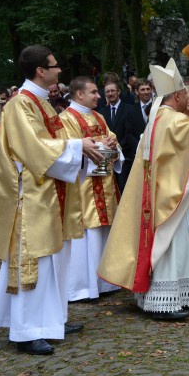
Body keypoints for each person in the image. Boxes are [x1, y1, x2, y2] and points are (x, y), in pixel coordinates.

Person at [97, 59, 189, 320]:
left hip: (161, 192)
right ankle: (161, 302)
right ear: (176, 95)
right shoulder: (172, 120)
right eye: (183, 95)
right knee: (171, 245)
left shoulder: (158, 116)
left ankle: (173, 296)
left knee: (172, 244)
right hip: (170, 197)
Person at [0, 45, 103, 355]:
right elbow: (35, 148)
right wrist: (79, 146)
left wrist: (82, 146)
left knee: (55, 260)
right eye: (54, 65)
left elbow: (57, 141)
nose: (59, 69)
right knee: (33, 261)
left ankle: (52, 320)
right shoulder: (20, 105)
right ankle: (25, 331)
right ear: (41, 70)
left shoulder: (44, 103)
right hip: (33, 194)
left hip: (51, 190)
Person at [59, 77, 124, 302]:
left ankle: (104, 282)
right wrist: (100, 146)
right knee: (86, 236)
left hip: (104, 184)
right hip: (82, 187)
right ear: (79, 94)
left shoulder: (98, 116)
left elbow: (112, 140)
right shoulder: (66, 119)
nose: (99, 96)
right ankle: (82, 287)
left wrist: (113, 147)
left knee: (104, 233)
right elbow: (66, 151)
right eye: (94, 92)